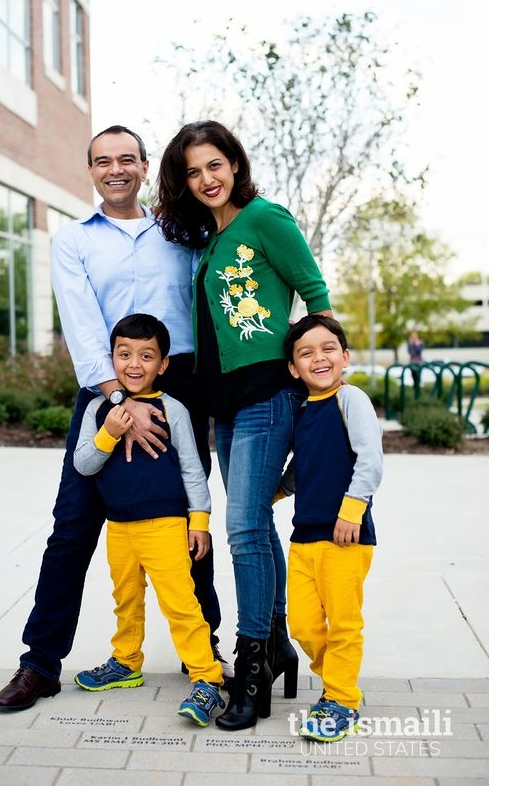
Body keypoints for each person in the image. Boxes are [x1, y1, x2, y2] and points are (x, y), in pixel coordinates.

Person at [0, 126, 225, 713]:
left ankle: (209, 653)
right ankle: (39, 664)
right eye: (102, 161)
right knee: (71, 530)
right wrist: (120, 402)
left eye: (126, 158)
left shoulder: (183, 232)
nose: (115, 169)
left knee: (188, 526)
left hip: (180, 388)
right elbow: (81, 323)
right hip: (105, 390)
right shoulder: (73, 241)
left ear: (145, 166)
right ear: (91, 171)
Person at [154, 120, 334, 730]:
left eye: (214, 165)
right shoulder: (210, 238)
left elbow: (314, 293)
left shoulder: (265, 218)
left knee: (244, 532)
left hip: (266, 395)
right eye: (192, 171)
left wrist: (321, 380)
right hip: (223, 406)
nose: (205, 179)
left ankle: (252, 663)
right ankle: (276, 643)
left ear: (235, 164)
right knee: (255, 526)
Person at [71, 313, 227, 726]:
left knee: (180, 603)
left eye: (146, 355)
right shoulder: (97, 409)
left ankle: (207, 678)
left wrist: (200, 520)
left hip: (166, 526)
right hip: (119, 527)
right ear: (111, 358)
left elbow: (193, 468)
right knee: (126, 599)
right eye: (124, 354)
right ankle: (126, 661)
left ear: (163, 364)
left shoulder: (172, 408)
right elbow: (83, 465)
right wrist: (107, 431)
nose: (134, 364)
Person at [277, 315, 383, 743]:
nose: (318, 358)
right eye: (306, 353)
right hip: (304, 538)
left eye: (327, 349)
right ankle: (340, 684)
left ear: (344, 356)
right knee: (303, 624)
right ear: (292, 368)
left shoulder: (350, 399)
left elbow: (370, 460)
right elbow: (300, 468)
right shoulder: (301, 410)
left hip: (346, 536)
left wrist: (351, 511)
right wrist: (274, 495)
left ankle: (341, 700)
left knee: (343, 624)